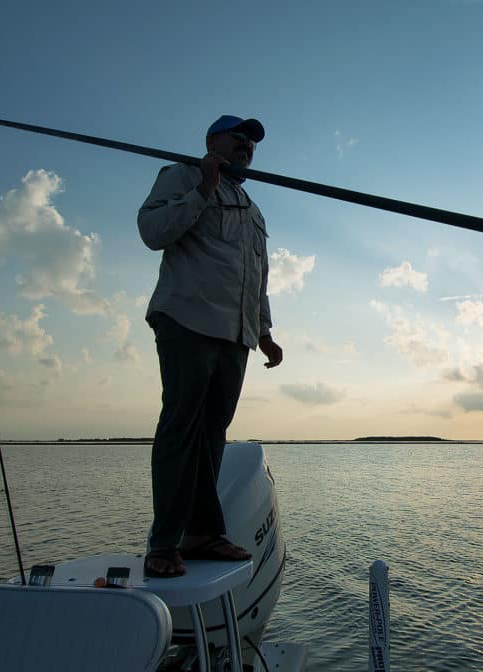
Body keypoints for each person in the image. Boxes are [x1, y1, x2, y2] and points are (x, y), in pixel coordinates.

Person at [137, 114, 284, 578]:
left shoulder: (253, 209)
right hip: (187, 318)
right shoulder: (181, 176)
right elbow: (152, 231)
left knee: (212, 434)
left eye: (251, 143)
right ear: (211, 141)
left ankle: (202, 532)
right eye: (237, 138)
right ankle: (164, 543)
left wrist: (264, 333)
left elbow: (256, 278)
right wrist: (203, 188)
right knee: (181, 425)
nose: (246, 146)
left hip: (235, 335)